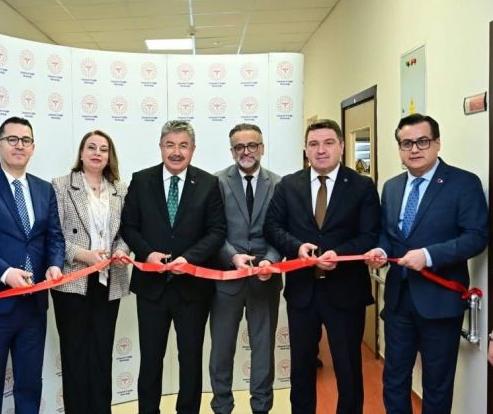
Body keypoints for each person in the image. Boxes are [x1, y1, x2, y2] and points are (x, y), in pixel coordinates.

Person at [364, 113, 487, 414]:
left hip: (440, 301)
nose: (415, 149)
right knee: (394, 379)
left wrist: (428, 256)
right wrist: (380, 251)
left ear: (437, 143)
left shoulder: (463, 183)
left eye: (422, 141)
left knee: (437, 385)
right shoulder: (392, 187)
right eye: (406, 143)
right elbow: (388, 235)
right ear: (399, 148)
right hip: (398, 301)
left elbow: (476, 237)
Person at [265, 119, 380, 414]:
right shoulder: (288, 185)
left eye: (329, 143)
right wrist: (296, 247)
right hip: (302, 292)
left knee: (348, 368)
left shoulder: (362, 186)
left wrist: (338, 254)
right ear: (305, 149)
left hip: (346, 292)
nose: (321, 150)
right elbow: (273, 227)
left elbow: (370, 235)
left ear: (341, 146)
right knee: (302, 368)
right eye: (314, 144)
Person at [121, 120, 226, 414]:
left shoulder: (208, 184)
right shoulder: (141, 180)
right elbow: (129, 226)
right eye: (170, 145)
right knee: (150, 359)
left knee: (190, 360)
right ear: (160, 147)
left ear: (193, 149)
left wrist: (190, 258)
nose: (176, 152)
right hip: (151, 288)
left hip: (192, 289)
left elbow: (217, 231)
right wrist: (147, 254)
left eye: (183, 145)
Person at [0, 116, 65, 414]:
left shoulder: (44, 189)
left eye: (26, 140)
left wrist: (55, 264)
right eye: (12, 139)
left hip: (34, 305)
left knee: (30, 386)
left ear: (33, 147)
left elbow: (54, 237)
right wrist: (5, 273)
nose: (19, 145)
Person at [50, 130, 131, 414]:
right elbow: (54, 234)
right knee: (74, 355)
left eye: (103, 149)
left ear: (110, 156)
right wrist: (83, 255)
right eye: (91, 147)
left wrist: (121, 251)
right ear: (82, 153)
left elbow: (127, 232)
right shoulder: (61, 185)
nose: (97, 153)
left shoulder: (120, 189)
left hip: (109, 281)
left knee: (101, 354)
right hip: (73, 281)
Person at [209, 123, 282, 414]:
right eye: (239, 147)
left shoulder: (279, 184)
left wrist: (271, 260)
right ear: (232, 151)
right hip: (227, 279)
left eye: (252, 145)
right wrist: (232, 257)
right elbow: (212, 230)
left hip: (265, 279)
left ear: (262, 148)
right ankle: (222, 407)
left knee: (263, 350)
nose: (246, 151)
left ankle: (261, 407)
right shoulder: (216, 182)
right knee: (221, 349)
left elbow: (281, 230)